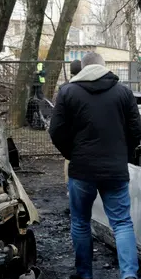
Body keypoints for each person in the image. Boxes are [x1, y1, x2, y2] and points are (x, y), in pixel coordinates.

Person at [49, 52, 141, 279]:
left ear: (82, 68)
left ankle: (85, 276)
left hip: (81, 170)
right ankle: (129, 276)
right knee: (121, 222)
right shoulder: (123, 92)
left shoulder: (68, 92)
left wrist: (71, 154)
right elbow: (136, 131)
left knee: (81, 221)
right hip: (115, 170)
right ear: (104, 67)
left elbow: (56, 131)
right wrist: (124, 156)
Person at [60, 59, 83, 188]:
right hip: (85, 131)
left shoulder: (65, 88)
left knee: (69, 162)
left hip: (70, 134)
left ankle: (69, 188)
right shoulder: (88, 85)